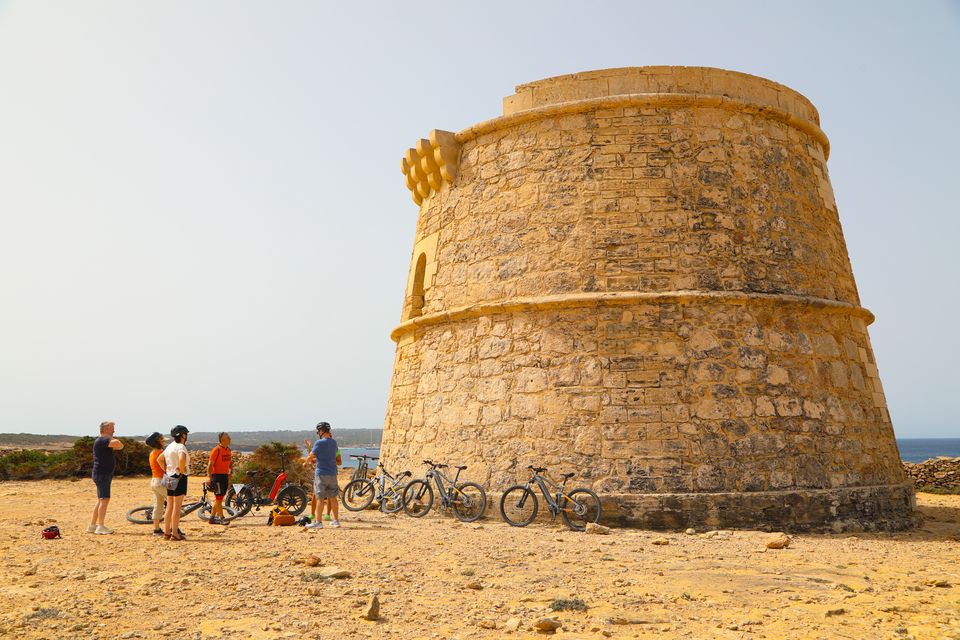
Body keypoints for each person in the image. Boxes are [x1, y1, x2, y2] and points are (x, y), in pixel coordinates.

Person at [88, 421, 124, 535]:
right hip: (102, 474)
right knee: (104, 500)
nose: (114, 431)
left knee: (101, 500)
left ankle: (93, 525)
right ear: (107, 428)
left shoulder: (102, 441)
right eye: (112, 428)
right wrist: (115, 440)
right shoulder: (103, 440)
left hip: (101, 474)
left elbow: (119, 446)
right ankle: (101, 526)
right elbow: (119, 444)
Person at [305, 422, 341, 529]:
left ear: (321, 431)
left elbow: (311, 456)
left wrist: (305, 463)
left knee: (320, 498)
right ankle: (336, 521)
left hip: (321, 473)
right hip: (333, 474)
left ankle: (318, 522)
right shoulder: (334, 443)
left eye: (318, 431)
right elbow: (333, 457)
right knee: (333, 498)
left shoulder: (319, 443)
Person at [161, 425, 191, 541]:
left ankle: (166, 532)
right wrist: (181, 470)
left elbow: (160, 459)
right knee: (177, 508)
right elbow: (182, 458)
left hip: (169, 476)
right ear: (183, 435)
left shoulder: (169, 447)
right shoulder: (181, 447)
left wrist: (167, 470)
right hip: (179, 477)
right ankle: (175, 534)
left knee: (169, 506)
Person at [207, 432, 232, 525]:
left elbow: (229, 463)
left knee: (219, 499)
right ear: (222, 440)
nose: (230, 438)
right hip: (216, 477)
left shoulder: (228, 450)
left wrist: (230, 472)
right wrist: (209, 477)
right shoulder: (216, 450)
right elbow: (210, 464)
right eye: (227, 437)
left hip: (224, 477)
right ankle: (222, 518)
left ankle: (212, 518)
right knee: (218, 498)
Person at [145, 432, 166, 535]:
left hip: (154, 481)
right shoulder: (161, 452)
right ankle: (171, 527)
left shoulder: (152, 452)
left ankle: (156, 529)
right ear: (159, 441)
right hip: (161, 481)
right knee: (173, 504)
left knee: (158, 506)